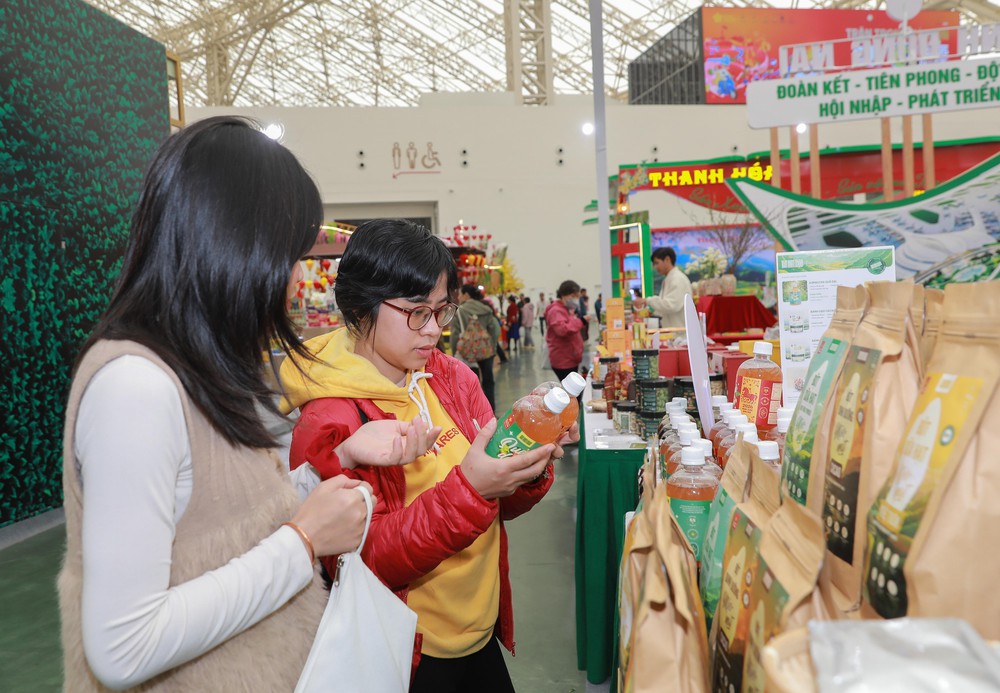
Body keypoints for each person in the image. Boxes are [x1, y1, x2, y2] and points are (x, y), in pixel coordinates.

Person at [58, 117, 438, 691]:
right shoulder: (135, 389)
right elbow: (122, 647)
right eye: (286, 257)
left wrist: (329, 472)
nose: (290, 282)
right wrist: (305, 541)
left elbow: (222, 520)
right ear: (237, 248)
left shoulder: (200, 365)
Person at [279, 219, 578, 692]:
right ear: (359, 308)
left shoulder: (452, 377)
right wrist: (472, 488)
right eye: (418, 312)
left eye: (442, 311)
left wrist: (527, 467)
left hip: (480, 634)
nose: (435, 330)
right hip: (408, 654)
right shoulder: (330, 417)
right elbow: (361, 559)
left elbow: (499, 504)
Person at [451, 283, 500, 411]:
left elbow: (455, 334)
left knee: (472, 384)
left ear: (466, 295)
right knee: (488, 381)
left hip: (468, 353)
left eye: (460, 294)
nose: (459, 297)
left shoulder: (460, 311)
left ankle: (477, 414)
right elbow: (494, 329)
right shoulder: (486, 309)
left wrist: (454, 351)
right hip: (486, 351)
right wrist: (492, 347)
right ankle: (491, 411)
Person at [633, 246, 692, 327]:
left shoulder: (677, 279)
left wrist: (647, 301)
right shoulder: (669, 278)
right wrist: (654, 312)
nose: (655, 267)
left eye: (657, 263)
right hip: (674, 332)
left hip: (680, 333)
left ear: (667, 260)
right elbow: (667, 306)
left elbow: (671, 306)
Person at [545, 280, 587, 382]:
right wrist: (581, 321)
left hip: (570, 357)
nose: (575, 299)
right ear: (563, 295)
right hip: (563, 360)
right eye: (573, 296)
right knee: (571, 391)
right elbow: (563, 330)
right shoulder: (556, 311)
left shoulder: (565, 309)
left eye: (577, 296)